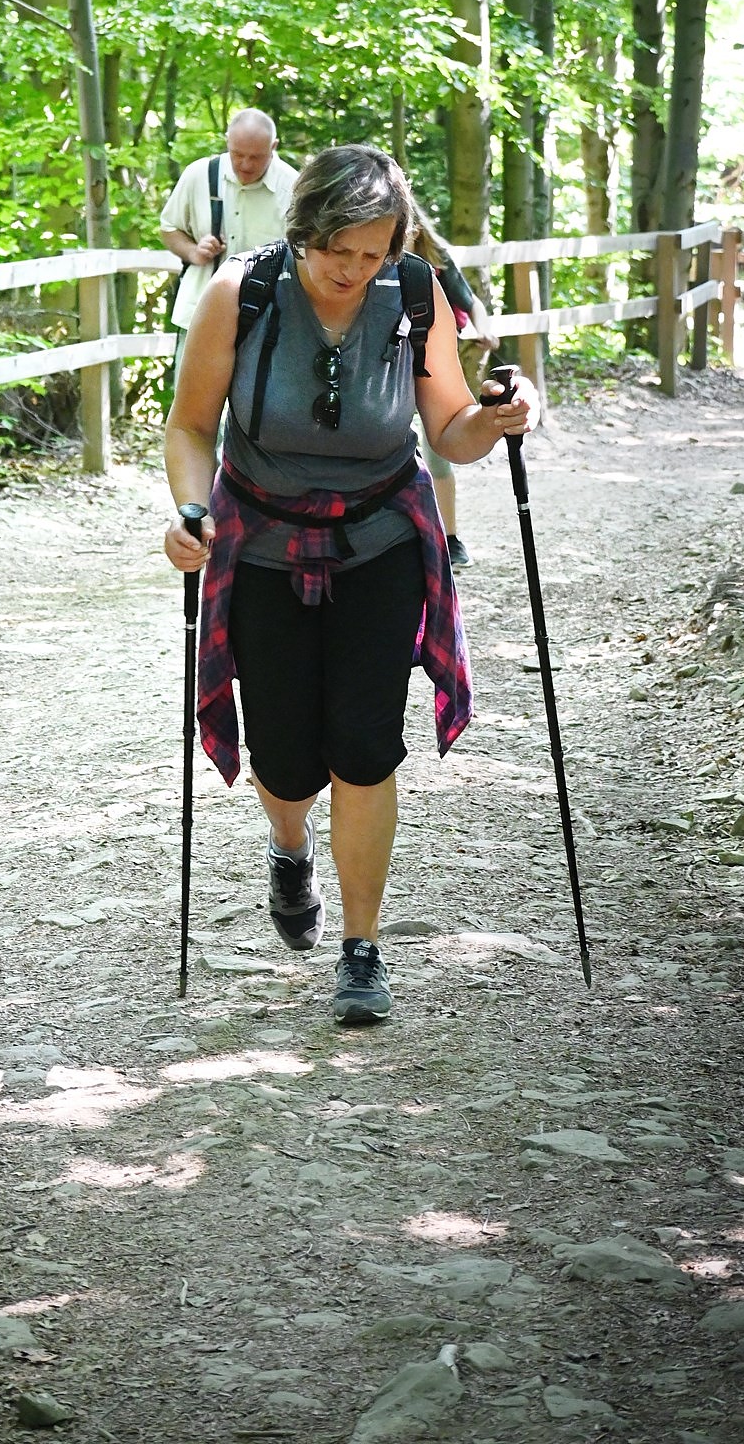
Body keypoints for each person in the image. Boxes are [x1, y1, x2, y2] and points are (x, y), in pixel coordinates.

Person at [163, 144, 535, 1026]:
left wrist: (497, 418)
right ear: (304, 232)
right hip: (261, 544)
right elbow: (189, 426)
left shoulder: (413, 294)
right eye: (339, 251)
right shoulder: (241, 293)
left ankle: (361, 949)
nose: (355, 270)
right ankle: (288, 846)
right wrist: (189, 510)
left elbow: (448, 432)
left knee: (364, 747)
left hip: (380, 541)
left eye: (373, 254)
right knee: (284, 759)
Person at [160, 110, 299, 366]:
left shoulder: (293, 188)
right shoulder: (199, 174)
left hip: (265, 323)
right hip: (199, 314)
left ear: (274, 147)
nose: (245, 165)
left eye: (255, 157)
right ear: (227, 142)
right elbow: (169, 228)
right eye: (237, 154)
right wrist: (193, 251)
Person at [409, 203, 498, 569]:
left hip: (433, 364)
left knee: (438, 451)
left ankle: (450, 537)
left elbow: (471, 302)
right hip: (392, 367)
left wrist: (484, 329)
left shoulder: (437, 261)